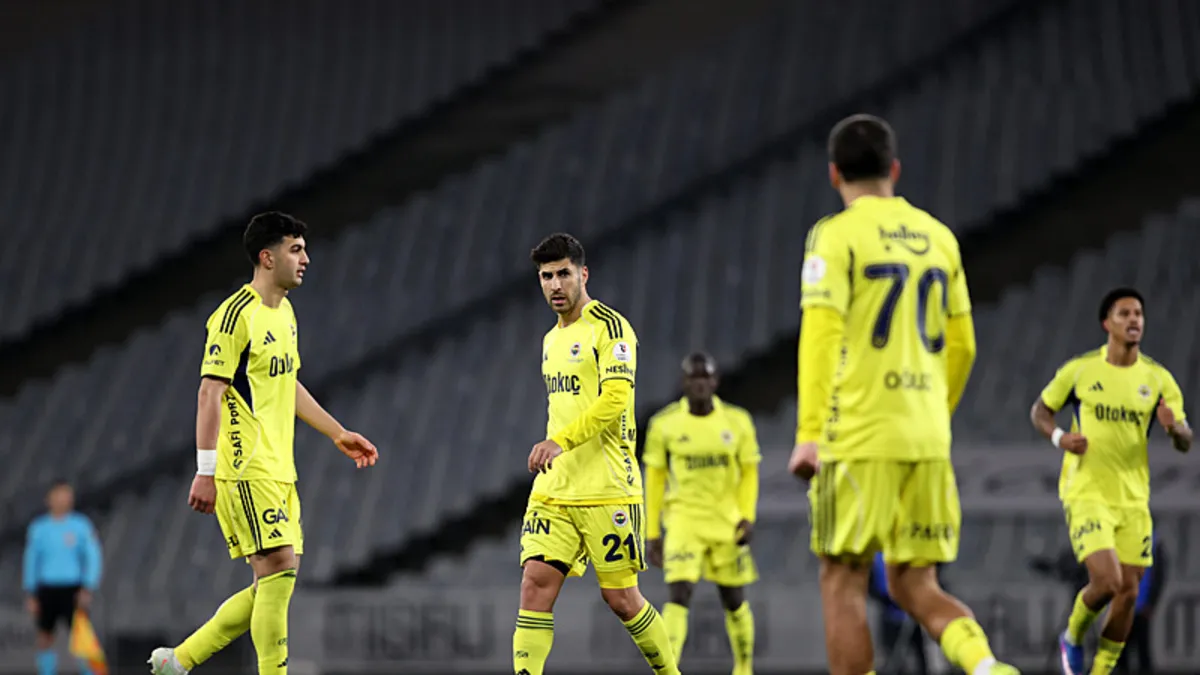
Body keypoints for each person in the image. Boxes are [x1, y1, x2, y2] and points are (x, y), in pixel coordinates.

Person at [788, 113, 1017, 675]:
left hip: (858, 437)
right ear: (894, 169)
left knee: (842, 577)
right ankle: (987, 667)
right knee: (918, 583)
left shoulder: (835, 235)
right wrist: (932, 415)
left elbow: (820, 335)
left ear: (834, 174)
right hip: (926, 436)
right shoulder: (939, 237)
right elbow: (962, 346)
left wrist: (809, 434)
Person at [149, 212, 379, 675]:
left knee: (276, 579)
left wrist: (336, 432)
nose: (306, 259)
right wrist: (206, 469)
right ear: (266, 256)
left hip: (279, 466)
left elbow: (287, 383)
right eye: (296, 249)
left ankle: (180, 660)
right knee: (278, 568)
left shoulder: (286, 314)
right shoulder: (234, 316)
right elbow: (208, 393)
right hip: (244, 465)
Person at [515, 233, 680, 675]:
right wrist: (559, 450)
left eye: (563, 274)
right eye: (545, 276)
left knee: (621, 599)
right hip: (556, 485)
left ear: (583, 274)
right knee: (534, 584)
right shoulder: (551, 339)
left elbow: (614, 400)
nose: (554, 285)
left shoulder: (610, 327)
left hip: (607, 485)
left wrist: (560, 441)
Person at [1030, 287, 1190, 675]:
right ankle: (1070, 638)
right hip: (1087, 491)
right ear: (1107, 324)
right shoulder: (1081, 371)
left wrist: (1174, 430)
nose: (1134, 320)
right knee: (1107, 580)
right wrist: (1059, 438)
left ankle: (1100, 671)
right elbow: (1040, 411)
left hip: (1133, 499)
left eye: (1138, 313)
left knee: (1128, 593)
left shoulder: (1157, 379)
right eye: (1124, 314)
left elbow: (1185, 439)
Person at [644, 352, 760, 674]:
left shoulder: (737, 422)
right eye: (693, 378)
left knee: (734, 600)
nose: (699, 384)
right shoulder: (664, 425)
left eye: (705, 378)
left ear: (715, 381)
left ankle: (744, 667)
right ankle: (668, 671)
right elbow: (654, 480)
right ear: (684, 382)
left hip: (726, 520)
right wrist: (652, 532)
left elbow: (749, 472)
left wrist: (747, 515)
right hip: (683, 520)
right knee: (679, 594)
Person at [22, 480, 103, 675]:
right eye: (58, 495)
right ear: (49, 499)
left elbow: (93, 556)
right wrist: (31, 593)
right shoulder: (39, 528)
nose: (63, 499)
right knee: (45, 637)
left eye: (67, 495)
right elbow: (31, 560)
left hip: (73, 588)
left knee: (81, 637)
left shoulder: (81, 525)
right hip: (47, 588)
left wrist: (88, 586)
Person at [868, 552, 928, 675]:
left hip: (915, 615)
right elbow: (872, 585)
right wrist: (886, 599)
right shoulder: (875, 557)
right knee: (891, 658)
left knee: (921, 656)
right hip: (890, 614)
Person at [1117, 533, 1165, 673]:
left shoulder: (1153, 544)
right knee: (1123, 653)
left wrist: (1151, 603)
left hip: (1140, 606)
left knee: (1141, 651)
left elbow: (1158, 577)